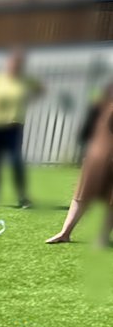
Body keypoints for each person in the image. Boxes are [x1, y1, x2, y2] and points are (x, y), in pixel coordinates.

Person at [46, 82, 113, 247]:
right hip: (99, 150)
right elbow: (91, 123)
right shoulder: (105, 95)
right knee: (82, 193)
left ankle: (102, 237)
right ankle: (65, 232)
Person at [0, 49, 42, 208]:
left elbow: (40, 90)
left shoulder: (26, 80)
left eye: (18, 63)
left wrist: (29, 98)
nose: (14, 65)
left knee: (16, 161)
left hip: (14, 126)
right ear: (7, 63)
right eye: (12, 62)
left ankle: (22, 197)